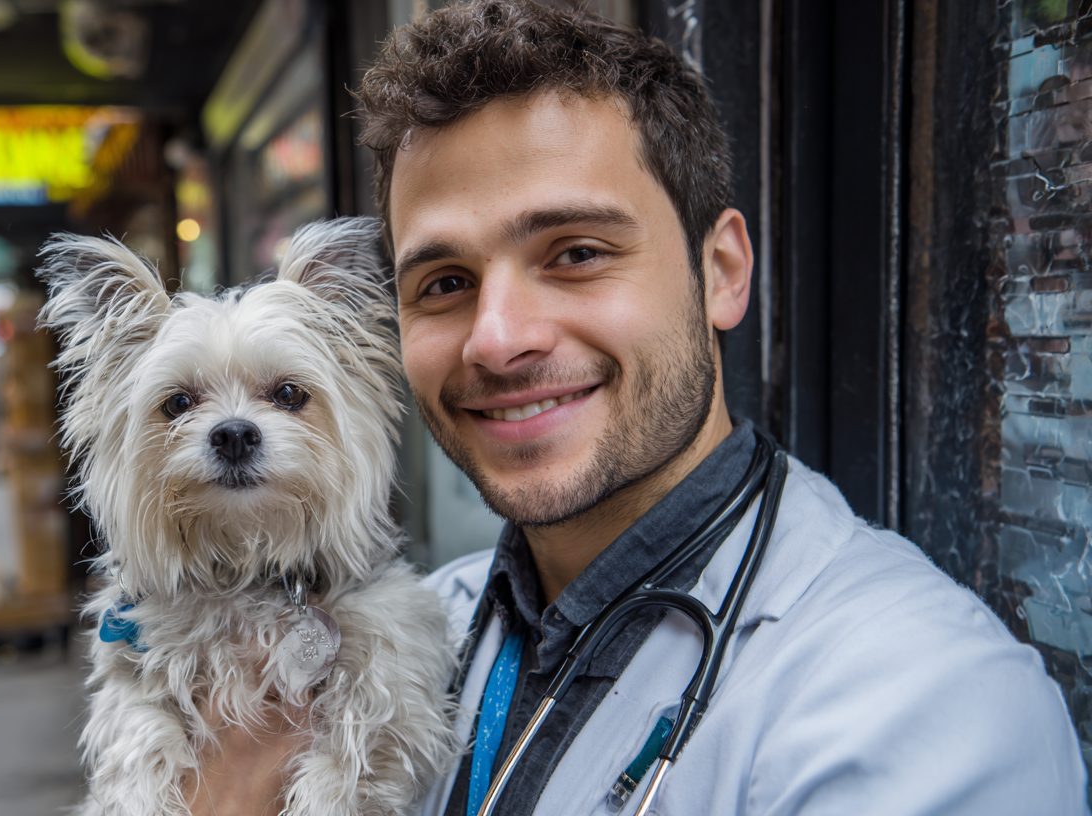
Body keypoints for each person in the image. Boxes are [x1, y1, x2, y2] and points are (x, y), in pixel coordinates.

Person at [188, 2, 1089, 814]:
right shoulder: (416, 634)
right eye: (446, 282)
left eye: (576, 253)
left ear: (720, 271)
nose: (496, 339)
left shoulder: (927, 707)